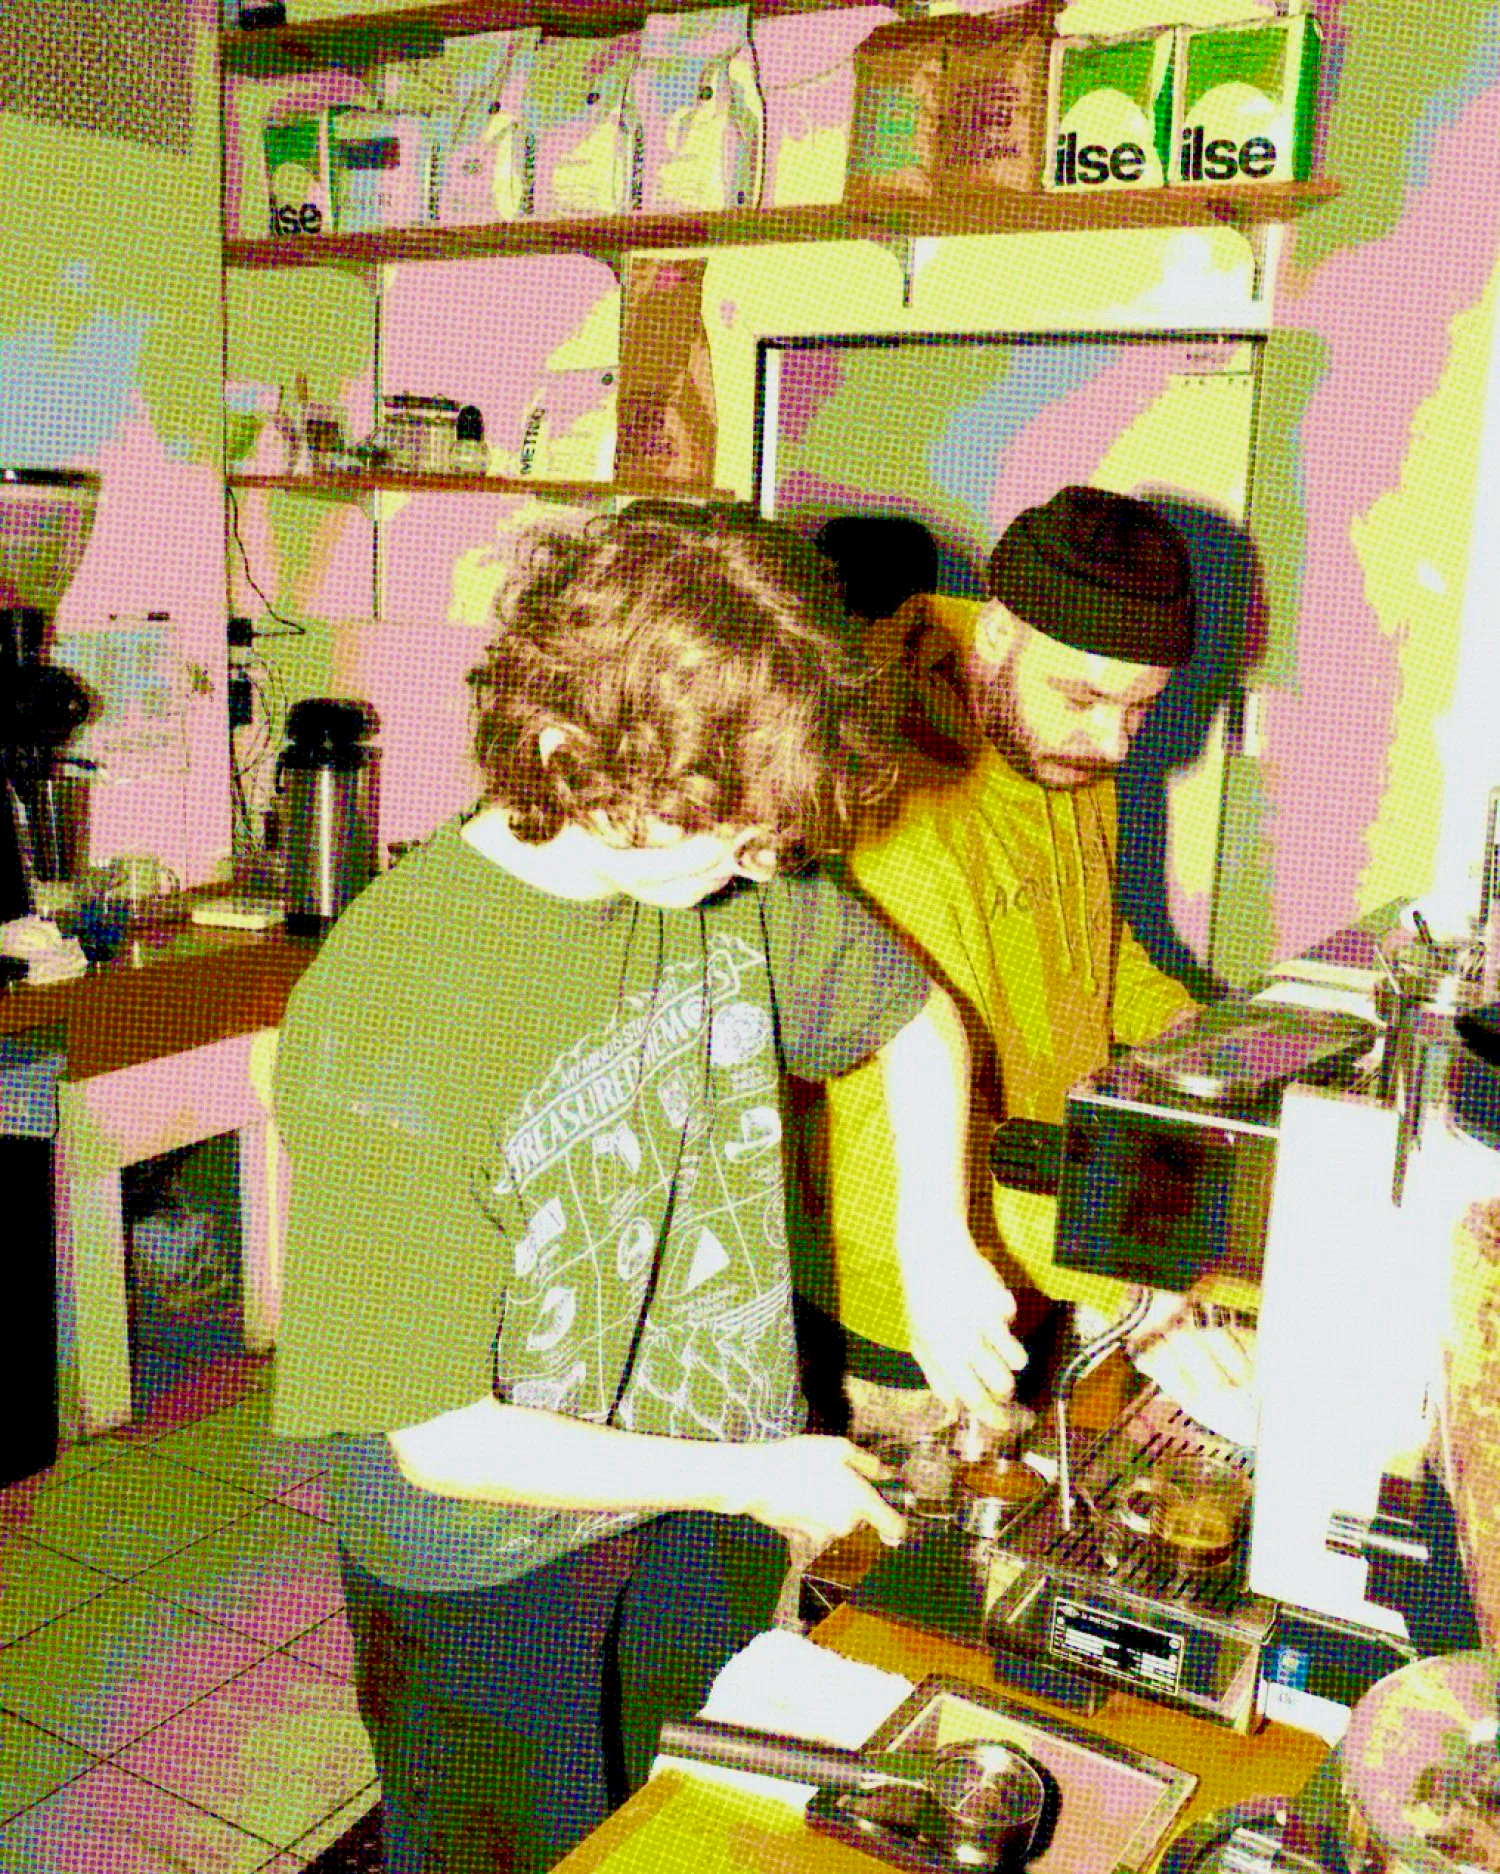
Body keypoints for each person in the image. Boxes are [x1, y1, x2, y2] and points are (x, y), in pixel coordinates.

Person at [268, 510, 1029, 1874]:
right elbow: (442, 1436)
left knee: (689, 1833)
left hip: (706, 1498)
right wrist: (753, 1473)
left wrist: (934, 1229)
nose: (766, 871)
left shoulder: (725, 874)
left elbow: (914, 1014)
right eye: (736, 840)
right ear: (571, 759)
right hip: (493, 1556)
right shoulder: (390, 1010)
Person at [796, 487, 1203, 1431]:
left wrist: (1209, 1046)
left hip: (1049, 1232)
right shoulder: (888, 779)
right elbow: (880, 1109)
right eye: (1086, 699)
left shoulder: (1058, 752)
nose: (1110, 741)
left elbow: (1096, 950)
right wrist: (1125, 1283)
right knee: (895, 1570)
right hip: (912, 1300)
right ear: (999, 635)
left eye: (1141, 711)